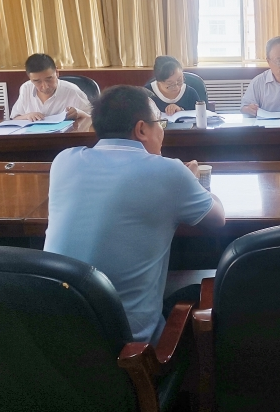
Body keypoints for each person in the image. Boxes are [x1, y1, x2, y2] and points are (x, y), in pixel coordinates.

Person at [44, 85, 225, 344]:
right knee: (207, 289)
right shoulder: (169, 171)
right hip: (130, 350)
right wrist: (193, 181)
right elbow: (218, 219)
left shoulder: (63, 161)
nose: (162, 131)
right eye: (159, 123)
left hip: (58, 340)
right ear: (141, 129)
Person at [11, 53, 91, 121]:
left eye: (49, 79)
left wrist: (80, 113)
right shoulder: (26, 88)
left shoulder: (73, 91)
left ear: (57, 72)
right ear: (30, 78)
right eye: (37, 81)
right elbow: (14, 118)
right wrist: (27, 116)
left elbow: (92, 120)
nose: (45, 86)